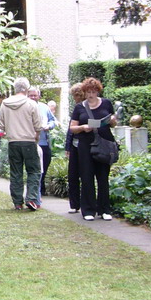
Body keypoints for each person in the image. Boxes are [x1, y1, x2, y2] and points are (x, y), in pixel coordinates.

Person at [69, 76, 118, 221]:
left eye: (94, 91)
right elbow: (72, 128)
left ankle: (104, 209)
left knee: (103, 176)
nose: (91, 95)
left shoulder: (106, 104)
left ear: (98, 91)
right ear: (85, 92)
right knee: (87, 176)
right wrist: (83, 127)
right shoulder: (80, 107)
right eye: (88, 92)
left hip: (104, 143)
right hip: (86, 145)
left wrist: (113, 121)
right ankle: (88, 210)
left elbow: (112, 123)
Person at [0, 77, 43, 210]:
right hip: (29, 141)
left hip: (13, 142)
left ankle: (17, 202)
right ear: (27, 89)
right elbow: (38, 125)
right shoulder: (31, 104)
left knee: (16, 172)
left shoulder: (5, 104)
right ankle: (31, 198)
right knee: (34, 170)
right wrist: (36, 136)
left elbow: (1, 124)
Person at [27, 86, 56, 197]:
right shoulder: (24, 107)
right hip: (31, 142)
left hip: (44, 142)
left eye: (35, 95)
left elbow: (53, 120)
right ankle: (36, 190)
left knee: (45, 164)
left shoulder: (44, 107)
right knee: (34, 167)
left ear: (39, 96)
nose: (33, 97)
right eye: (31, 95)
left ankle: (41, 186)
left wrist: (49, 126)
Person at [65, 83, 85, 213]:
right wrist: (68, 147)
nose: (75, 98)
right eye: (74, 95)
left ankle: (83, 203)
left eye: (77, 95)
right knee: (72, 175)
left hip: (85, 146)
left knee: (85, 175)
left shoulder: (85, 108)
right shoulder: (77, 108)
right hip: (74, 146)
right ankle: (74, 204)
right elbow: (70, 130)